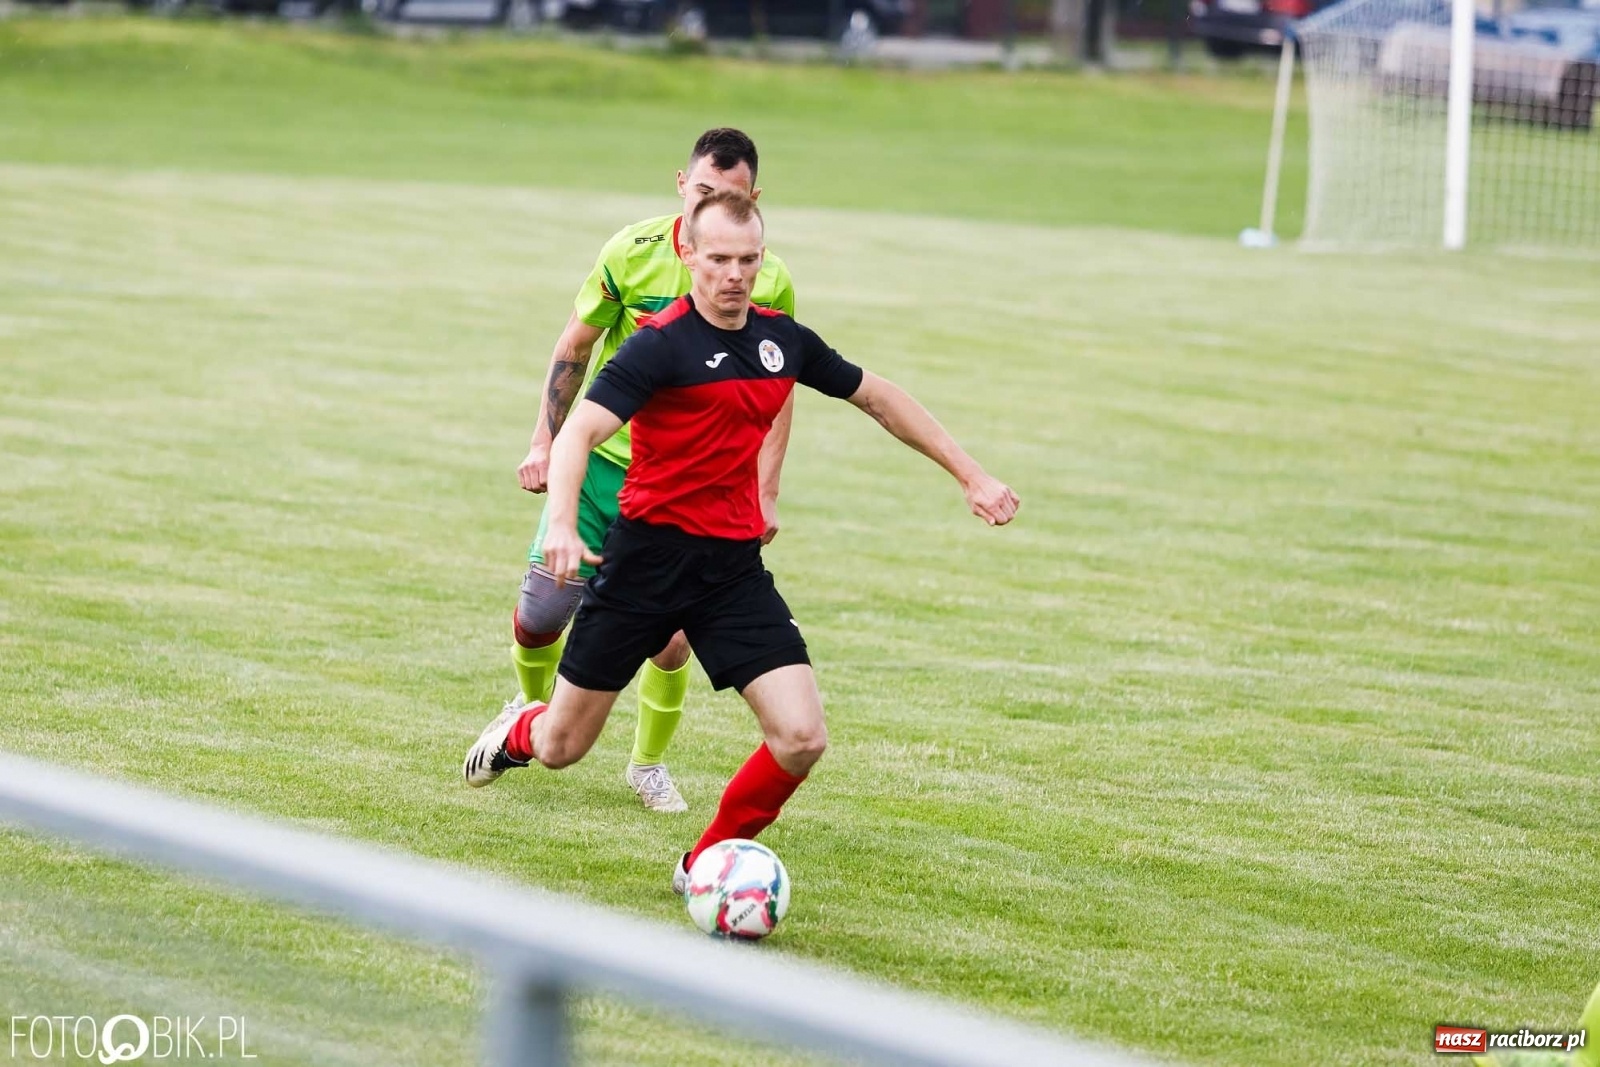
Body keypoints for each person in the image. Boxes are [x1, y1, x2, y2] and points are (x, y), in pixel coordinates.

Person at [463, 189, 1019, 892]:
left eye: (748, 259)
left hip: (731, 572)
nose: (734, 273)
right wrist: (567, 522)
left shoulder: (779, 339)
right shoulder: (657, 346)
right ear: (688, 254)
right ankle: (516, 732)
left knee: (802, 736)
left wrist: (971, 474)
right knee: (562, 747)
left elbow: (877, 395)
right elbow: (580, 433)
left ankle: (704, 864)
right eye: (719, 258)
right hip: (644, 564)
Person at [509, 128, 797, 814]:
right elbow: (577, 342)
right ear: (681, 186)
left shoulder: (767, 279)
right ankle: (527, 707)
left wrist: (764, 491)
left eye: (729, 198)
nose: (713, 207)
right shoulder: (630, 251)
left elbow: (777, 387)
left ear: (753, 200)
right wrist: (544, 439)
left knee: (671, 643)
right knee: (539, 617)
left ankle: (647, 764)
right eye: (702, 192)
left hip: (680, 491)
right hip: (602, 467)